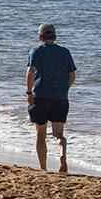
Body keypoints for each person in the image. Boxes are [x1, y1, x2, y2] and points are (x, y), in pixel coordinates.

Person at [24, 23, 77, 174]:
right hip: (60, 98)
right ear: (54, 36)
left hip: (41, 97)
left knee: (41, 134)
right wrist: (64, 88)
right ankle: (62, 155)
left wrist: (29, 93)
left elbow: (30, 72)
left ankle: (43, 168)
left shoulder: (37, 51)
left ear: (40, 36)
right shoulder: (64, 52)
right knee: (58, 134)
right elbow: (72, 76)